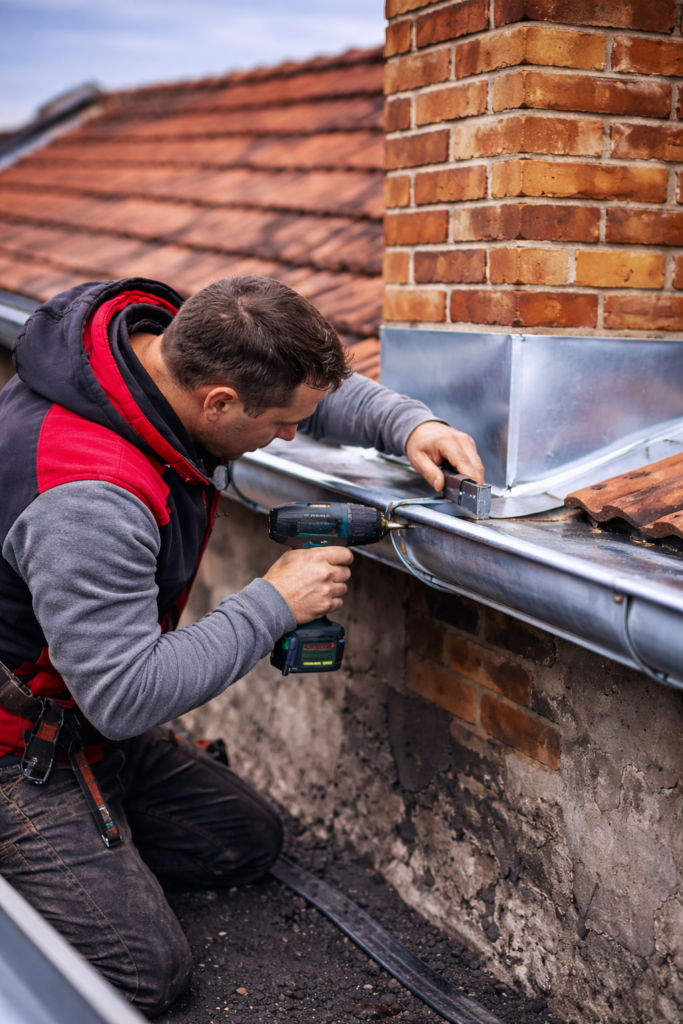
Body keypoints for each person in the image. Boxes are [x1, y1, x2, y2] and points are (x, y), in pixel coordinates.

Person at [0, 275, 484, 1017]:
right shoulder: (91, 494)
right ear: (218, 402)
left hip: (75, 714)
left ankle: (85, 842)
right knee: (137, 973)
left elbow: (307, 393)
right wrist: (272, 603)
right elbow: (125, 696)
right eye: (280, 426)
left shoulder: (149, 350)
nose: (290, 436)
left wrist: (406, 425)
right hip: (20, 744)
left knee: (244, 840)